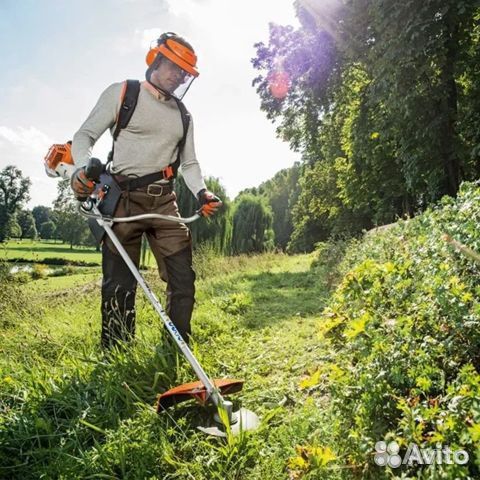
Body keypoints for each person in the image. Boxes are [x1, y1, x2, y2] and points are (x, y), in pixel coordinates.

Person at [70, 32, 221, 349]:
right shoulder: (124, 93)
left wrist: (202, 193)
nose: (179, 77)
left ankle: (175, 349)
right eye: (175, 68)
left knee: (183, 279)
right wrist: (83, 169)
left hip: (164, 202)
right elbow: (84, 136)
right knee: (119, 285)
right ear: (156, 59)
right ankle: (117, 355)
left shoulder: (183, 115)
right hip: (122, 201)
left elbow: (190, 163)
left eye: (184, 73)